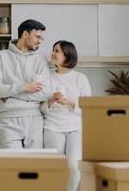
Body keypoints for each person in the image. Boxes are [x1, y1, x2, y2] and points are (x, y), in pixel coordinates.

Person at [0, 19, 50, 149]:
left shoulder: (40, 60)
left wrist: (10, 94)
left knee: (34, 165)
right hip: (7, 120)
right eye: (37, 37)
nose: (40, 41)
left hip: (34, 119)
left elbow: (45, 94)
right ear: (25, 34)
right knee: (12, 165)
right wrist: (24, 87)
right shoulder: (0, 57)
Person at [41, 40, 91, 191]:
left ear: (67, 55)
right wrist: (50, 101)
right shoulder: (47, 77)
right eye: (53, 50)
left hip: (75, 128)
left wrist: (69, 102)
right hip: (52, 127)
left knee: (74, 167)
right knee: (56, 168)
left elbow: (88, 109)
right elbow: (41, 109)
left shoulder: (80, 78)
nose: (53, 53)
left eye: (57, 51)